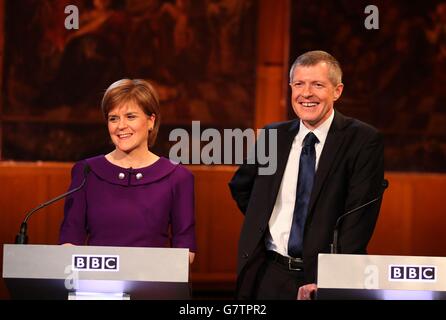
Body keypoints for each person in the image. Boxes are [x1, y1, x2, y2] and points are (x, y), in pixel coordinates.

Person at [228, 50, 384, 299]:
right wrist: (268, 221)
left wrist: (330, 279)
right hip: (268, 273)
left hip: (322, 278)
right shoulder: (273, 136)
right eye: (299, 84)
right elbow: (241, 187)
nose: (306, 93)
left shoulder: (362, 140)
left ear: (337, 91)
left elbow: (359, 219)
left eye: (318, 85)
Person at [59, 79, 196, 263]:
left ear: (151, 121)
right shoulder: (86, 172)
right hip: (97, 286)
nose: (120, 126)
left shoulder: (178, 177)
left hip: (153, 286)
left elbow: (185, 251)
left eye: (130, 116)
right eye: (113, 118)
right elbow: (70, 241)